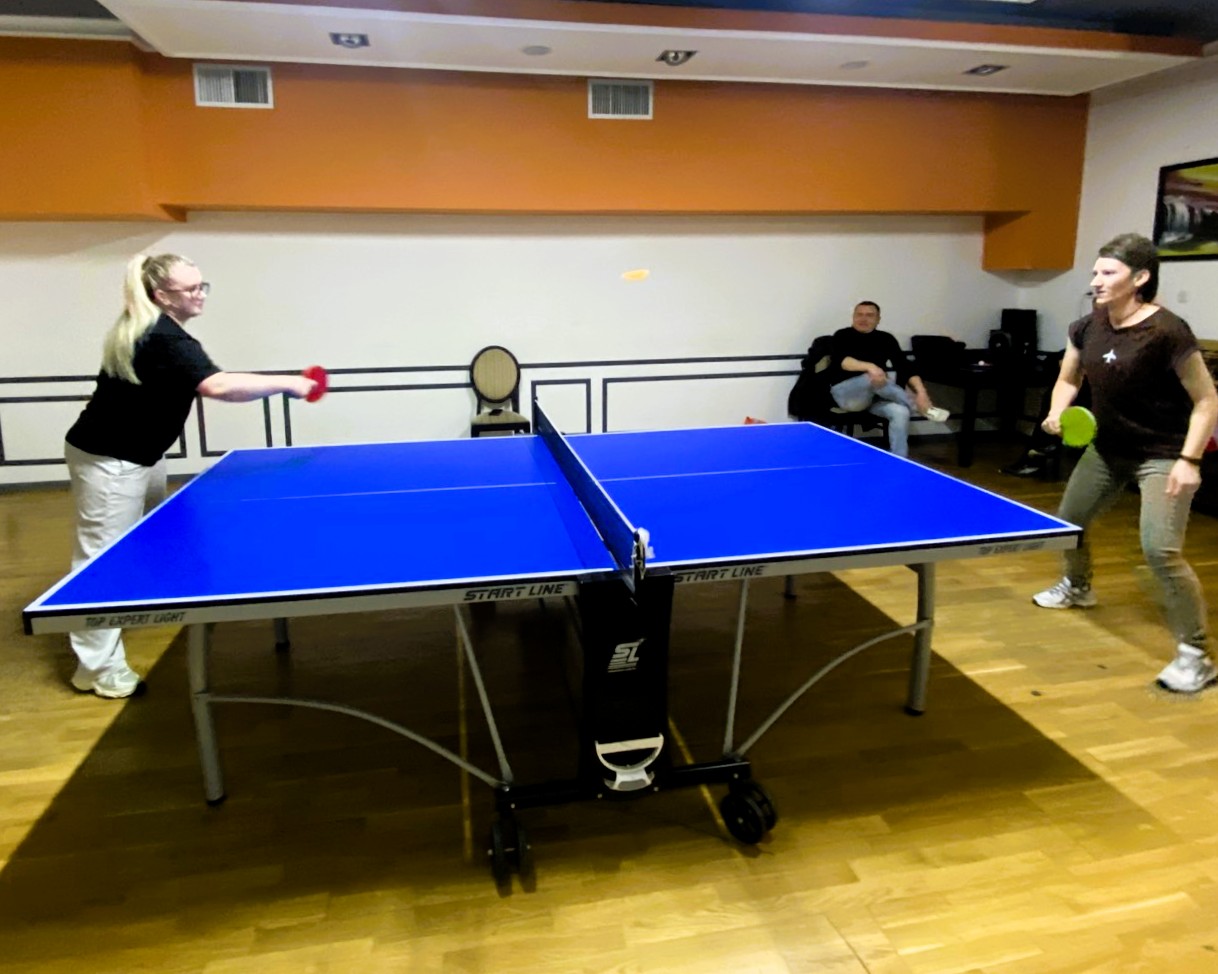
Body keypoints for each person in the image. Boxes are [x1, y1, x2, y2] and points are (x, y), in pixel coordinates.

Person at [63, 253, 317, 699]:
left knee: (143, 541)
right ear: (162, 296)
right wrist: (290, 382)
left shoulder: (147, 325)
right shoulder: (162, 336)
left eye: (203, 285)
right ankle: (97, 670)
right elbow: (218, 385)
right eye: (191, 288)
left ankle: (141, 609)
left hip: (136, 453)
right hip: (111, 459)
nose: (201, 294)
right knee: (99, 562)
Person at [1032, 232, 1218, 694]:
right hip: (1108, 448)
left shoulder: (1167, 332)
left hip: (1162, 453)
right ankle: (1078, 586)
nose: (1095, 280)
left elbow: (1207, 399)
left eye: (1108, 272)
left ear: (1140, 278)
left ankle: (1196, 655)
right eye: (1095, 271)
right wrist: (1056, 410)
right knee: (1068, 523)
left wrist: (1189, 460)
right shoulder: (1086, 326)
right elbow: (1068, 378)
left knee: (1160, 550)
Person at [825, 301, 947, 458]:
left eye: (869, 315)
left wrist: (922, 392)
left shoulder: (886, 338)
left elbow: (904, 366)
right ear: (853, 317)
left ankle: (899, 460)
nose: (863, 319)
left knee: (901, 412)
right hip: (847, 396)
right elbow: (843, 362)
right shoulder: (842, 335)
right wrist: (870, 367)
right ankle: (921, 408)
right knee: (871, 377)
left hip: (875, 397)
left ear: (878, 319)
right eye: (859, 314)